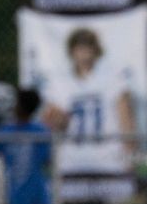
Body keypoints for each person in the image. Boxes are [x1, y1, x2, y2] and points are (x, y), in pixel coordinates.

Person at [41, 27, 137, 175]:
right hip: (71, 159)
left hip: (107, 158)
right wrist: (58, 119)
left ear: (96, 51)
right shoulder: (59, 82)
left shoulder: (112, 78)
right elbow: (52, 122)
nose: (83, 54)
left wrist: (129, 153)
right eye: (79, 48)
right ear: (72, 51)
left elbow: (125, 118)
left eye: (87, 48)